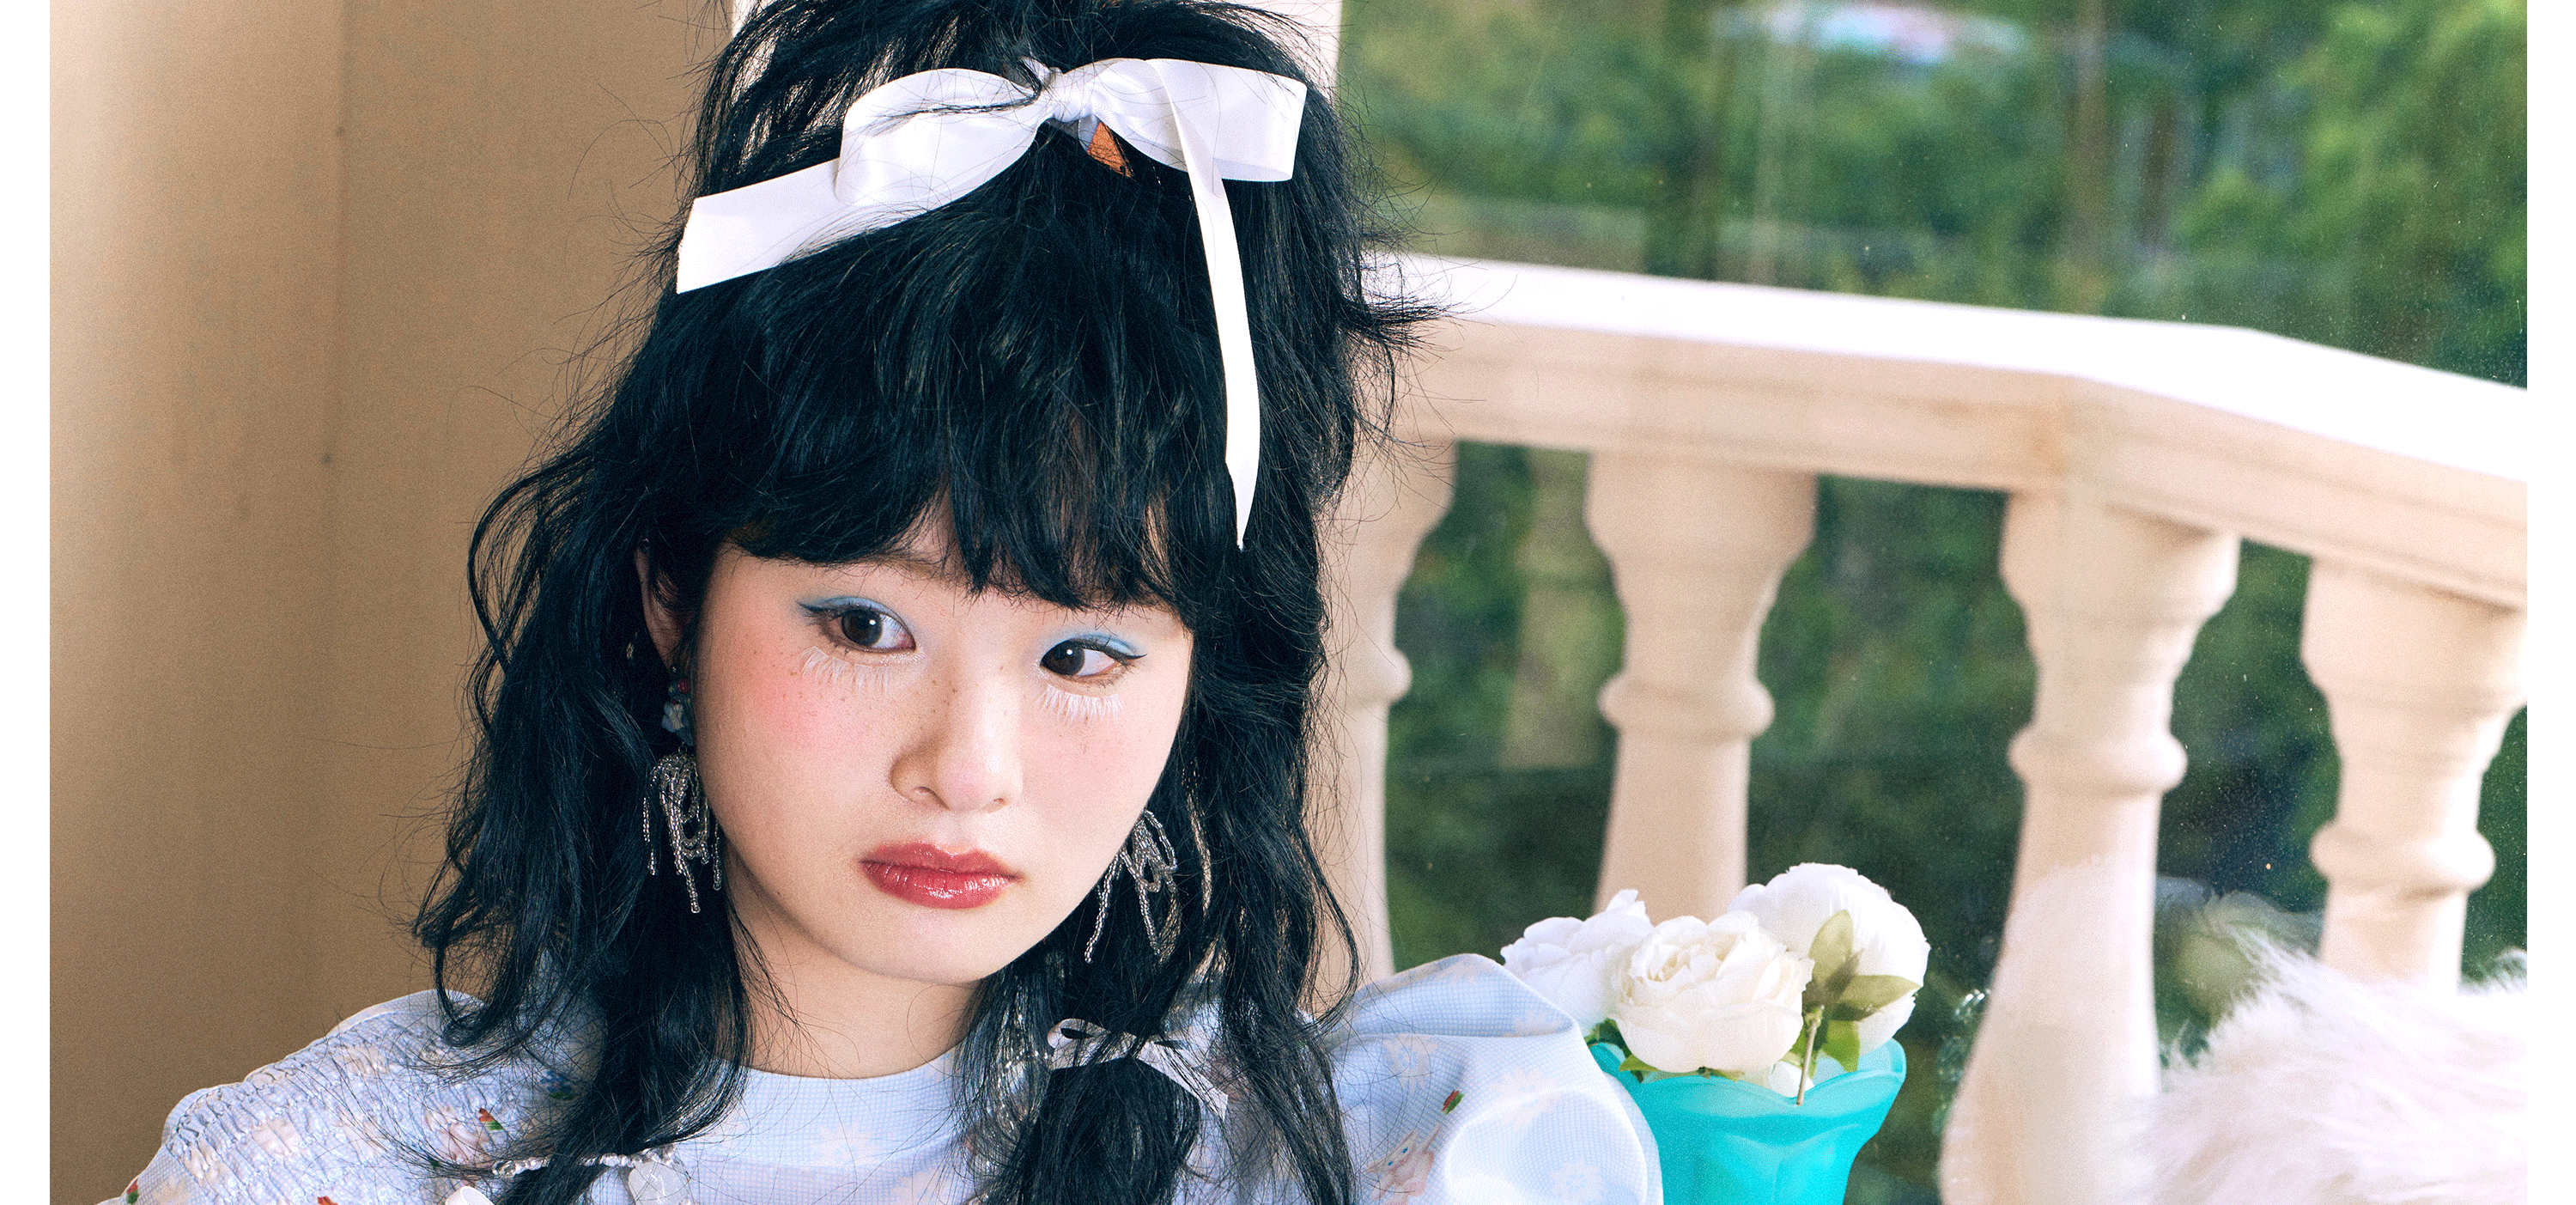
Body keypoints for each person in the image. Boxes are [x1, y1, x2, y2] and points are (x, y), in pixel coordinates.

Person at [106, 2, 1658, 1202]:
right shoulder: (349, 1164)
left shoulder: (1318, 1154)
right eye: (864, 625)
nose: (968, 766)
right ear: (672, 597)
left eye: (1083, 653)